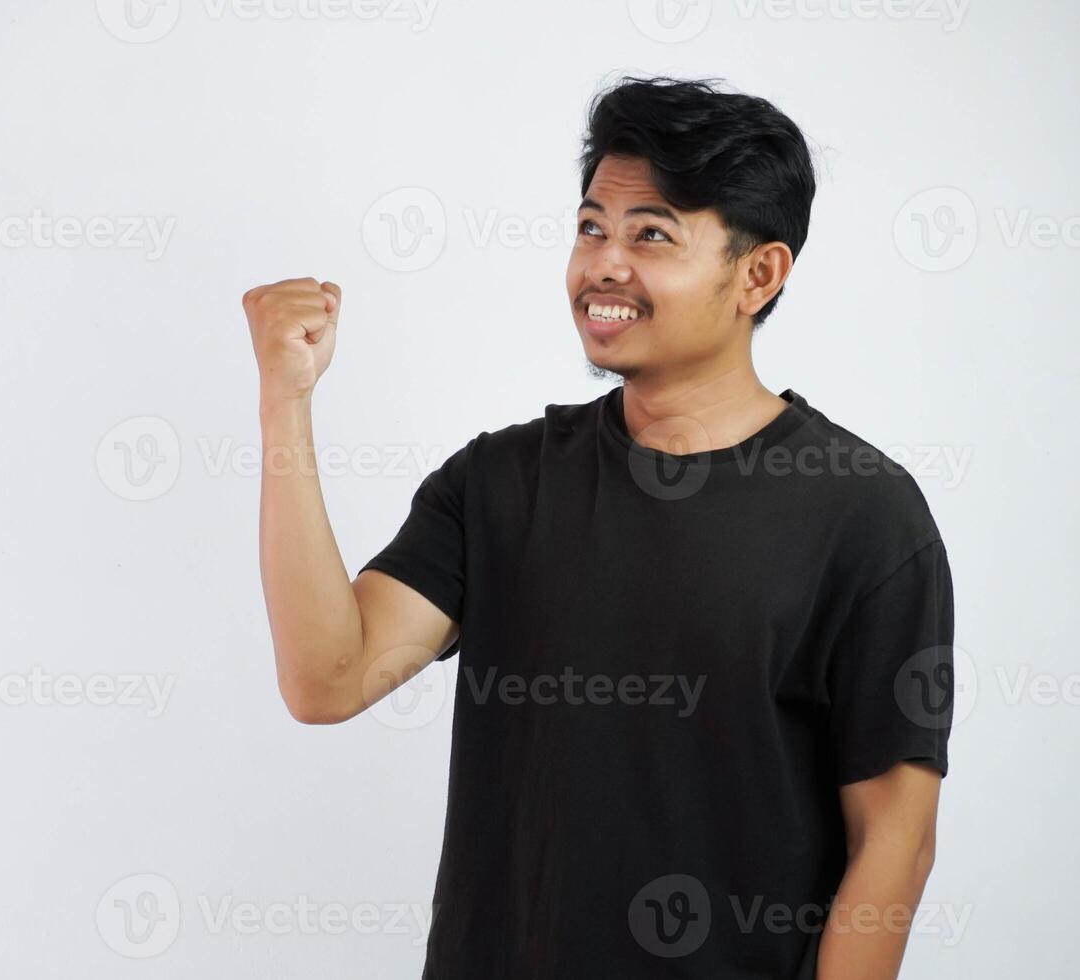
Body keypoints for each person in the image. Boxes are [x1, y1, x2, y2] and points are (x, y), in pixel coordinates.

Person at [245, 74, 955, 980]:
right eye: (591, 228)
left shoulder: (863, 514)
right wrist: (285, 404)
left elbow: (894, 842)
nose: (604, 265)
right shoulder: (501, 483)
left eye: (651, 233)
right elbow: (326, 679)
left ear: (759, 273)